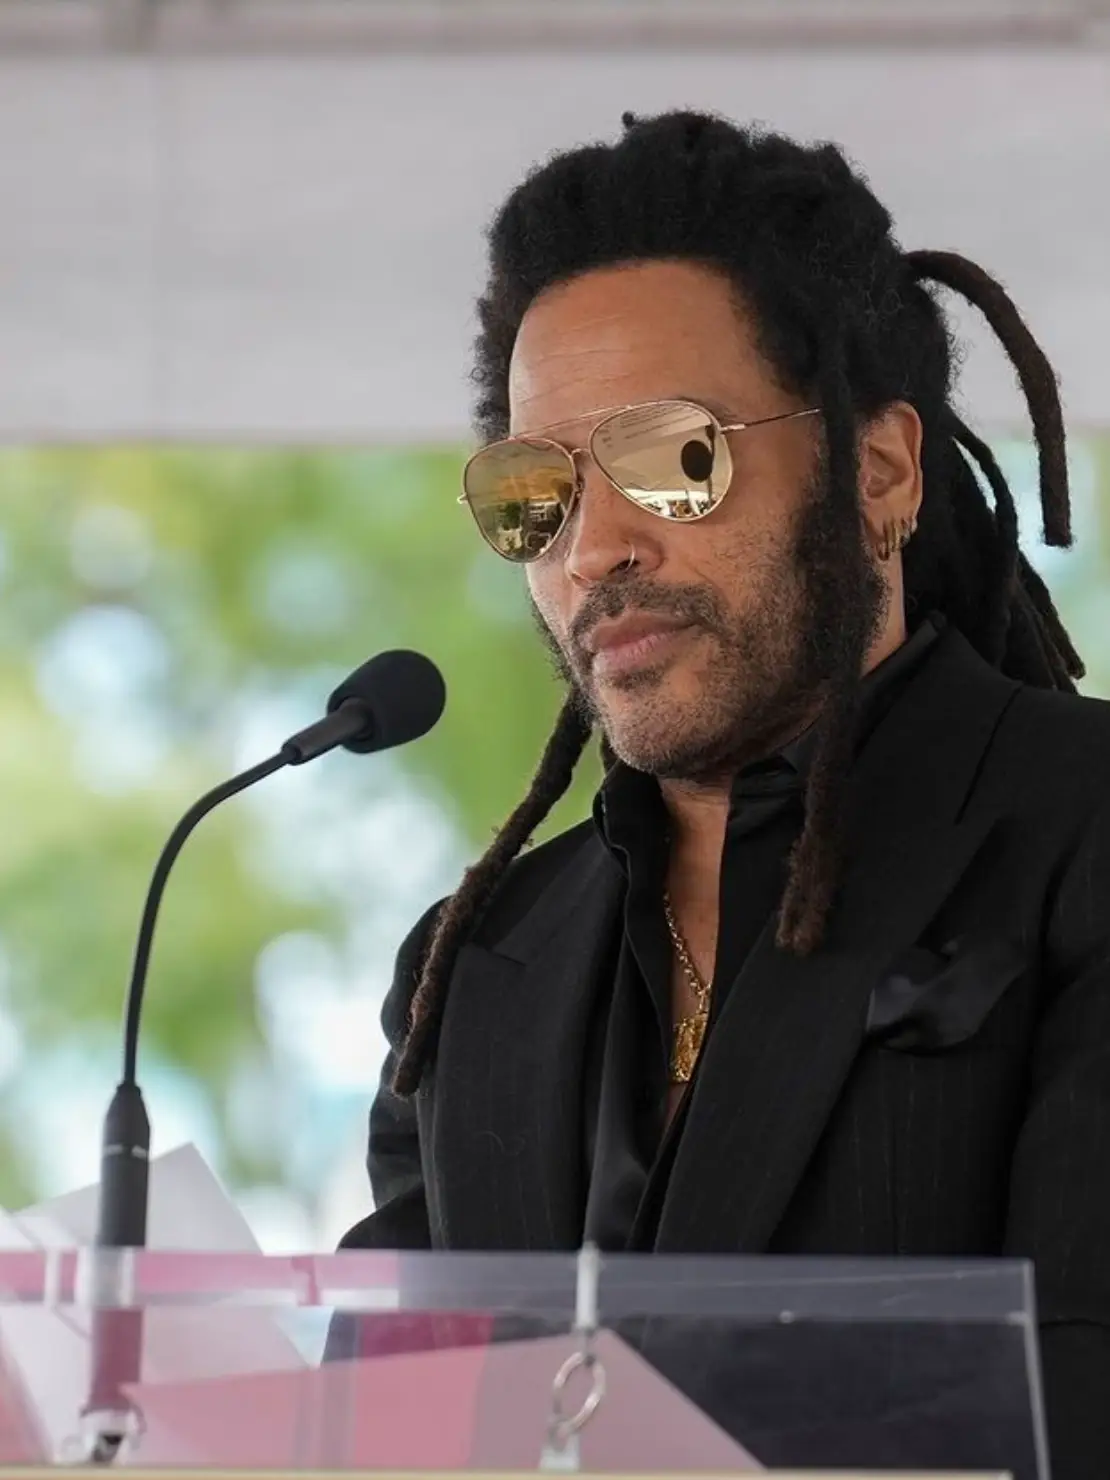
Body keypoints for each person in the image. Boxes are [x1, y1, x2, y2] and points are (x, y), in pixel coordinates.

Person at [340, 111, 1110, 1474]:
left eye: (671, 457)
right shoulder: (469, 975)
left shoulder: (1080, 826)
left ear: (878, 474)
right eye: (533, 492)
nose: (594, 549)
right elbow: (375, 1440)